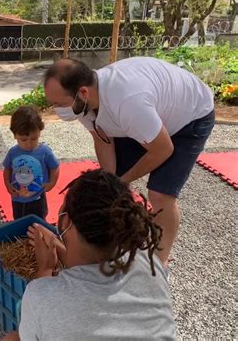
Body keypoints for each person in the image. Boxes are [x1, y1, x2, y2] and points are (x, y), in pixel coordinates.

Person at [43, 57, 215, 265]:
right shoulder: (83, 101)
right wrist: (110, 181)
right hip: (148, 117)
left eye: (59, 103)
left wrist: (122, 180)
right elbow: (102, 137)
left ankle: (159, 264)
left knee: (160, 195)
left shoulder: (127, 102)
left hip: (191, 116)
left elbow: (162, 149)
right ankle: (114, 246)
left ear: (83, 93)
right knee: (111, 188)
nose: (56, 109)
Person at [4, 169, 176, 341]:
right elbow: (92, 265)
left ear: (65, 221)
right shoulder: (147, 260)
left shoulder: (40, 296)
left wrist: (45, 267)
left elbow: (45, 301)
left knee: (12, 338)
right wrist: (57, 246)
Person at [3, 105, 60, 219]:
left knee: (39, 222)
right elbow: (7, 168)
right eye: (23, 140)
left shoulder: (44, 151)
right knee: (19, 222)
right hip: (18, 197)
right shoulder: (13, 152)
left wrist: (52, 183)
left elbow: (55, 167)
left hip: (38, 196)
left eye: (34, 139)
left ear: (39, 132)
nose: (28, 144)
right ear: (15, 135)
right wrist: (7, 184)